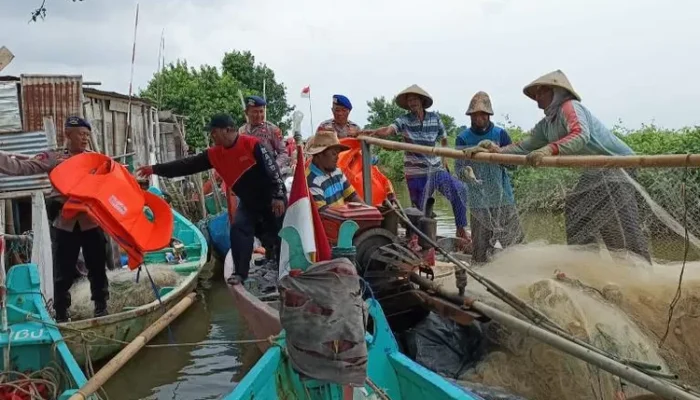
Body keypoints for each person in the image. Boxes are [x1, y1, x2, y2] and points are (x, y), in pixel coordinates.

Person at [466, 70, 651, 262]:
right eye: (535, 93)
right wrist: (493, 150)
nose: (537, 97)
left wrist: (549, 149)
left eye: (542, 91)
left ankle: (640, 271)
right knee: (576, 208)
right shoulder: (547, 123)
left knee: (620, 222)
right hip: (596, 168)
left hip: (619, 165)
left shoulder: (570, 107)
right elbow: (524, 146)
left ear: (557, 92)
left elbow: (580, 134)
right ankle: (585, 262)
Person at [137, 114, 287, 285]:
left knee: (276, 234)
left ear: (228, 130)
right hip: (249, 203)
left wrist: (279, 196)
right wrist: (154, 169)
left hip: (271, 199)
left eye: (214, 132)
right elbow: (186, 165)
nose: (212, 136)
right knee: (238, 229)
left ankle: (280, 269)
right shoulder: (214, 154)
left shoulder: (252, 144)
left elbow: (273, 171)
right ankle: (240, 273)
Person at [0, 116, 110, 321]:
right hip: (65, 224)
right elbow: (22, 167)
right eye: (81, 134)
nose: (85, 138)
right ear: (68, 134)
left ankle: (101, 308)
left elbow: (112, 183)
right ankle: (61, 313)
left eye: (87, 135)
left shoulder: (96, 160)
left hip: (91, 222)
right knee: (63, 272)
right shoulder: (54, 157)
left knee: (97, 267)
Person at [362, 84, 469, 241]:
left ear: (421, 101)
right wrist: (370, 133)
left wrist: (444, 159)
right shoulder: (404, 120)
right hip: (415, 172)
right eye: (409, 100)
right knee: (418, 210)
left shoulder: (434, 118)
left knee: (460, 190)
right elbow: (388, 131)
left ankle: (461, 229)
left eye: (414, 99)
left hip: (436, 169)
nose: (412, 103)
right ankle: (417, 239)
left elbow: (444, 138)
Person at [455, 91, 524, 263]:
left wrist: (497, 153)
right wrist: (468, 175)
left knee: (516, 245)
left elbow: (513, 165)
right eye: (475, 114)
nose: (479, 118)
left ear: (489, 115)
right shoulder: (463, 138)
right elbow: (459, 171)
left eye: (483, 114)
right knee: (480, 249)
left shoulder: (500, 134)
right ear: (470, 116)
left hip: (503, 199)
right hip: (479, 202)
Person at [305, 130, 363, 211]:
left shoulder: (337, 171)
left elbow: (352, 195)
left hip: (341, 219)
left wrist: (368, 210)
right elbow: (324, 214)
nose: (337, 158)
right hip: (328, 221)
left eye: (338, 154)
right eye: (333, 154)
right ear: (319, 154)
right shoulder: (310, 180)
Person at [239, 96, 287, 165]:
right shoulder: (241, 131)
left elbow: (283, 153)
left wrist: (275, 166)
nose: (259, 115)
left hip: (268, 171)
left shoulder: (272, 129)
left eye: (261, 111)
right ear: (246, 112)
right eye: (255, 112)